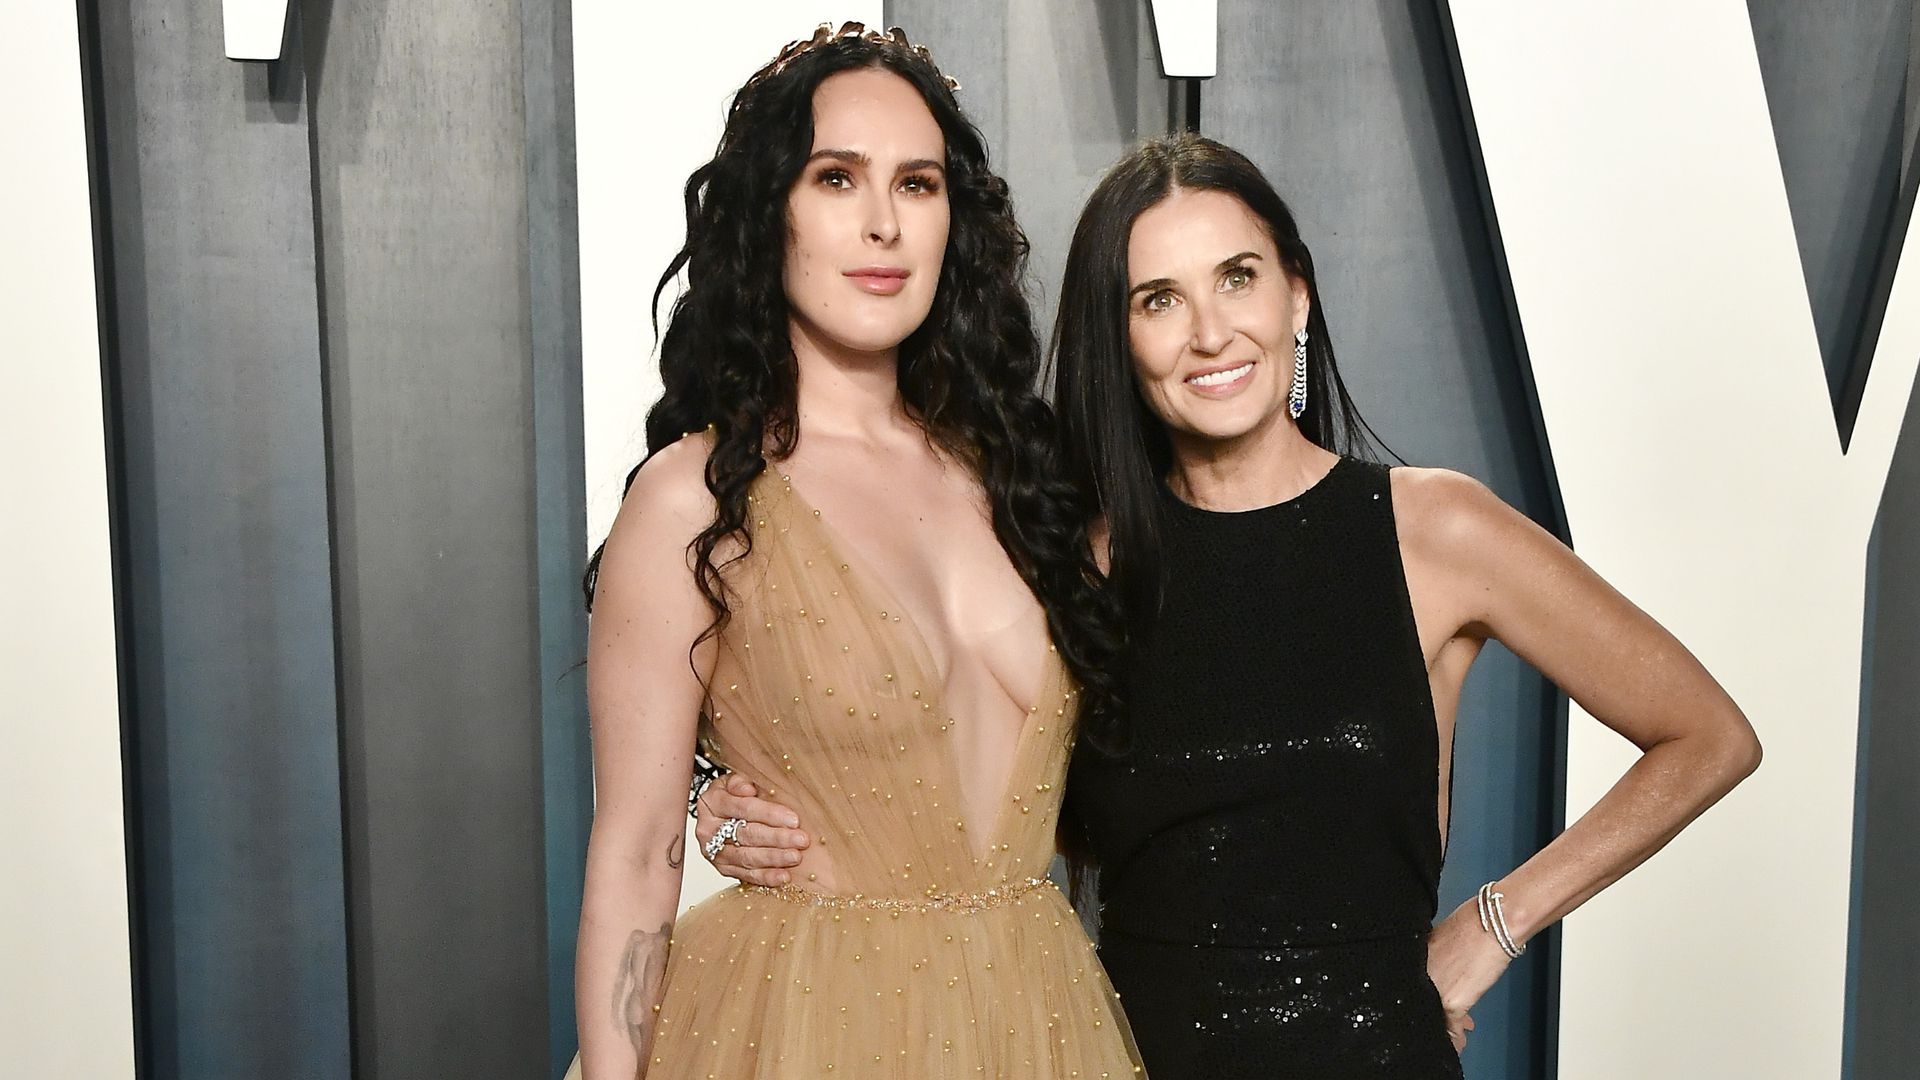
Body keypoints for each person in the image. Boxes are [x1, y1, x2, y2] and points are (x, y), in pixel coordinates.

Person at [697, 134, 1763, 1078]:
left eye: (1237, 279)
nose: (1209, 333)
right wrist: (728, 803)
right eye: (1158, 300)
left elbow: (1708, 736)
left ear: (1296, 295)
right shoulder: (1068, 565)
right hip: (1121, 1059)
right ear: (1120, 338)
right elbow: (924, 771)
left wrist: (1493, 924)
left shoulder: (1433, 531)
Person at [569, 23, 1143, 1080]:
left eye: (917, 184)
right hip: (806, 1025)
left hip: (1036, 1021)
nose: (884, 223)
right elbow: (635, 856)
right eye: (836, 178)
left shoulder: (1026, 477)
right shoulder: (694, 500)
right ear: (768, 213)